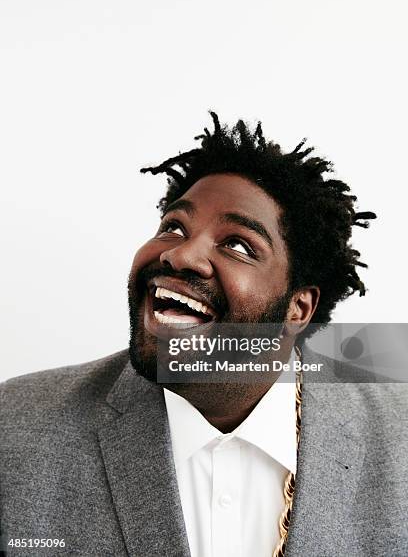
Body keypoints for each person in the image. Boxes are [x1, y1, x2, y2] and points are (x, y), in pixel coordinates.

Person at [0, 113, 406, 557]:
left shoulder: (398, 436)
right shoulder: (15, 426)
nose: (180, 254)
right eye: (173, 227)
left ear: (297, 308)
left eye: (237, 244)